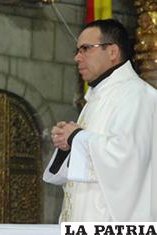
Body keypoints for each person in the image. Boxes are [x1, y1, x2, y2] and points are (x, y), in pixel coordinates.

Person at [43, 19, 157, 222]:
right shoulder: (96, 99)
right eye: (77, 51)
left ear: (112, 52)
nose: (77, 58)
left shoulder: (138, 95)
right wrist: (68, 145)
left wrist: (77, 137)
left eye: (86, 49)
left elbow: (128, 157)